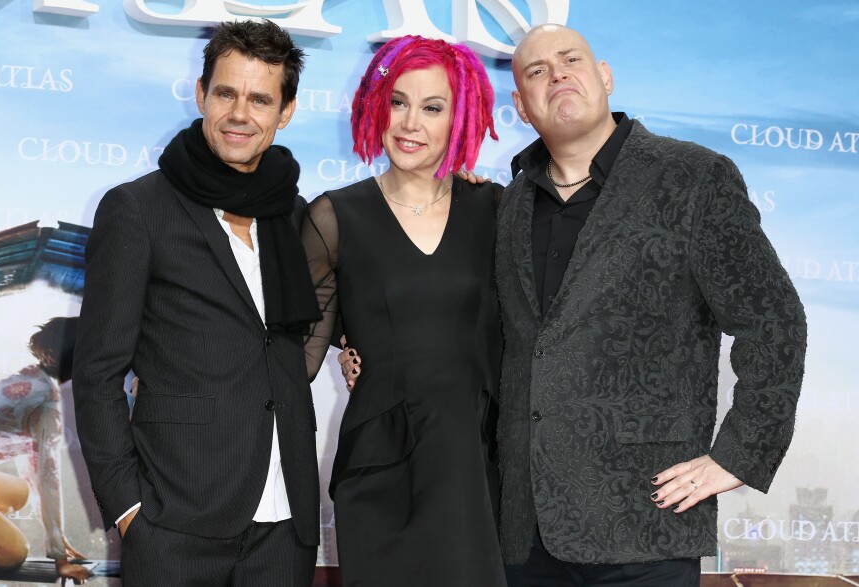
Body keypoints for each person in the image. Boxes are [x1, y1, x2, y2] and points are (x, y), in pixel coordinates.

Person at [494, 24, 807, 586]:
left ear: (605, 76)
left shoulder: (693, 177)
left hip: (644, 518)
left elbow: (774, 321)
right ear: (520, 104)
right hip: (525, 527)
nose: (557, 73)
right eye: (536, 71)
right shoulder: (510, 200)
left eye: (571, 59)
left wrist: (738, 454)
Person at [72, 21, 321, 587]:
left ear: (285, 112)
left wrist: (452, 187)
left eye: (260, 98)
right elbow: (98, 372)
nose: (240, 113)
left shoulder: (294, 215)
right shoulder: (138, 209)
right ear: (200, 93)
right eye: (226, 92)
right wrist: (129, 510)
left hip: (286, 526)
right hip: (175, 524)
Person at [302, 36, 507, 586]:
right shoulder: (333, 216)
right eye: (397, 101)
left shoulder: (498, 210)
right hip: (378, 470)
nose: (410, 122)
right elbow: (296, 353)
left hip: (474, 463)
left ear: (460, 117)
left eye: (433, 107)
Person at [0, 317, 89, 583]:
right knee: (14, 553)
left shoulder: (30, 375)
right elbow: (48, 479)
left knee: (19, 493)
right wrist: (60, 559)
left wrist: (56, 537)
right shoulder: (47, 406)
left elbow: (33, 469)